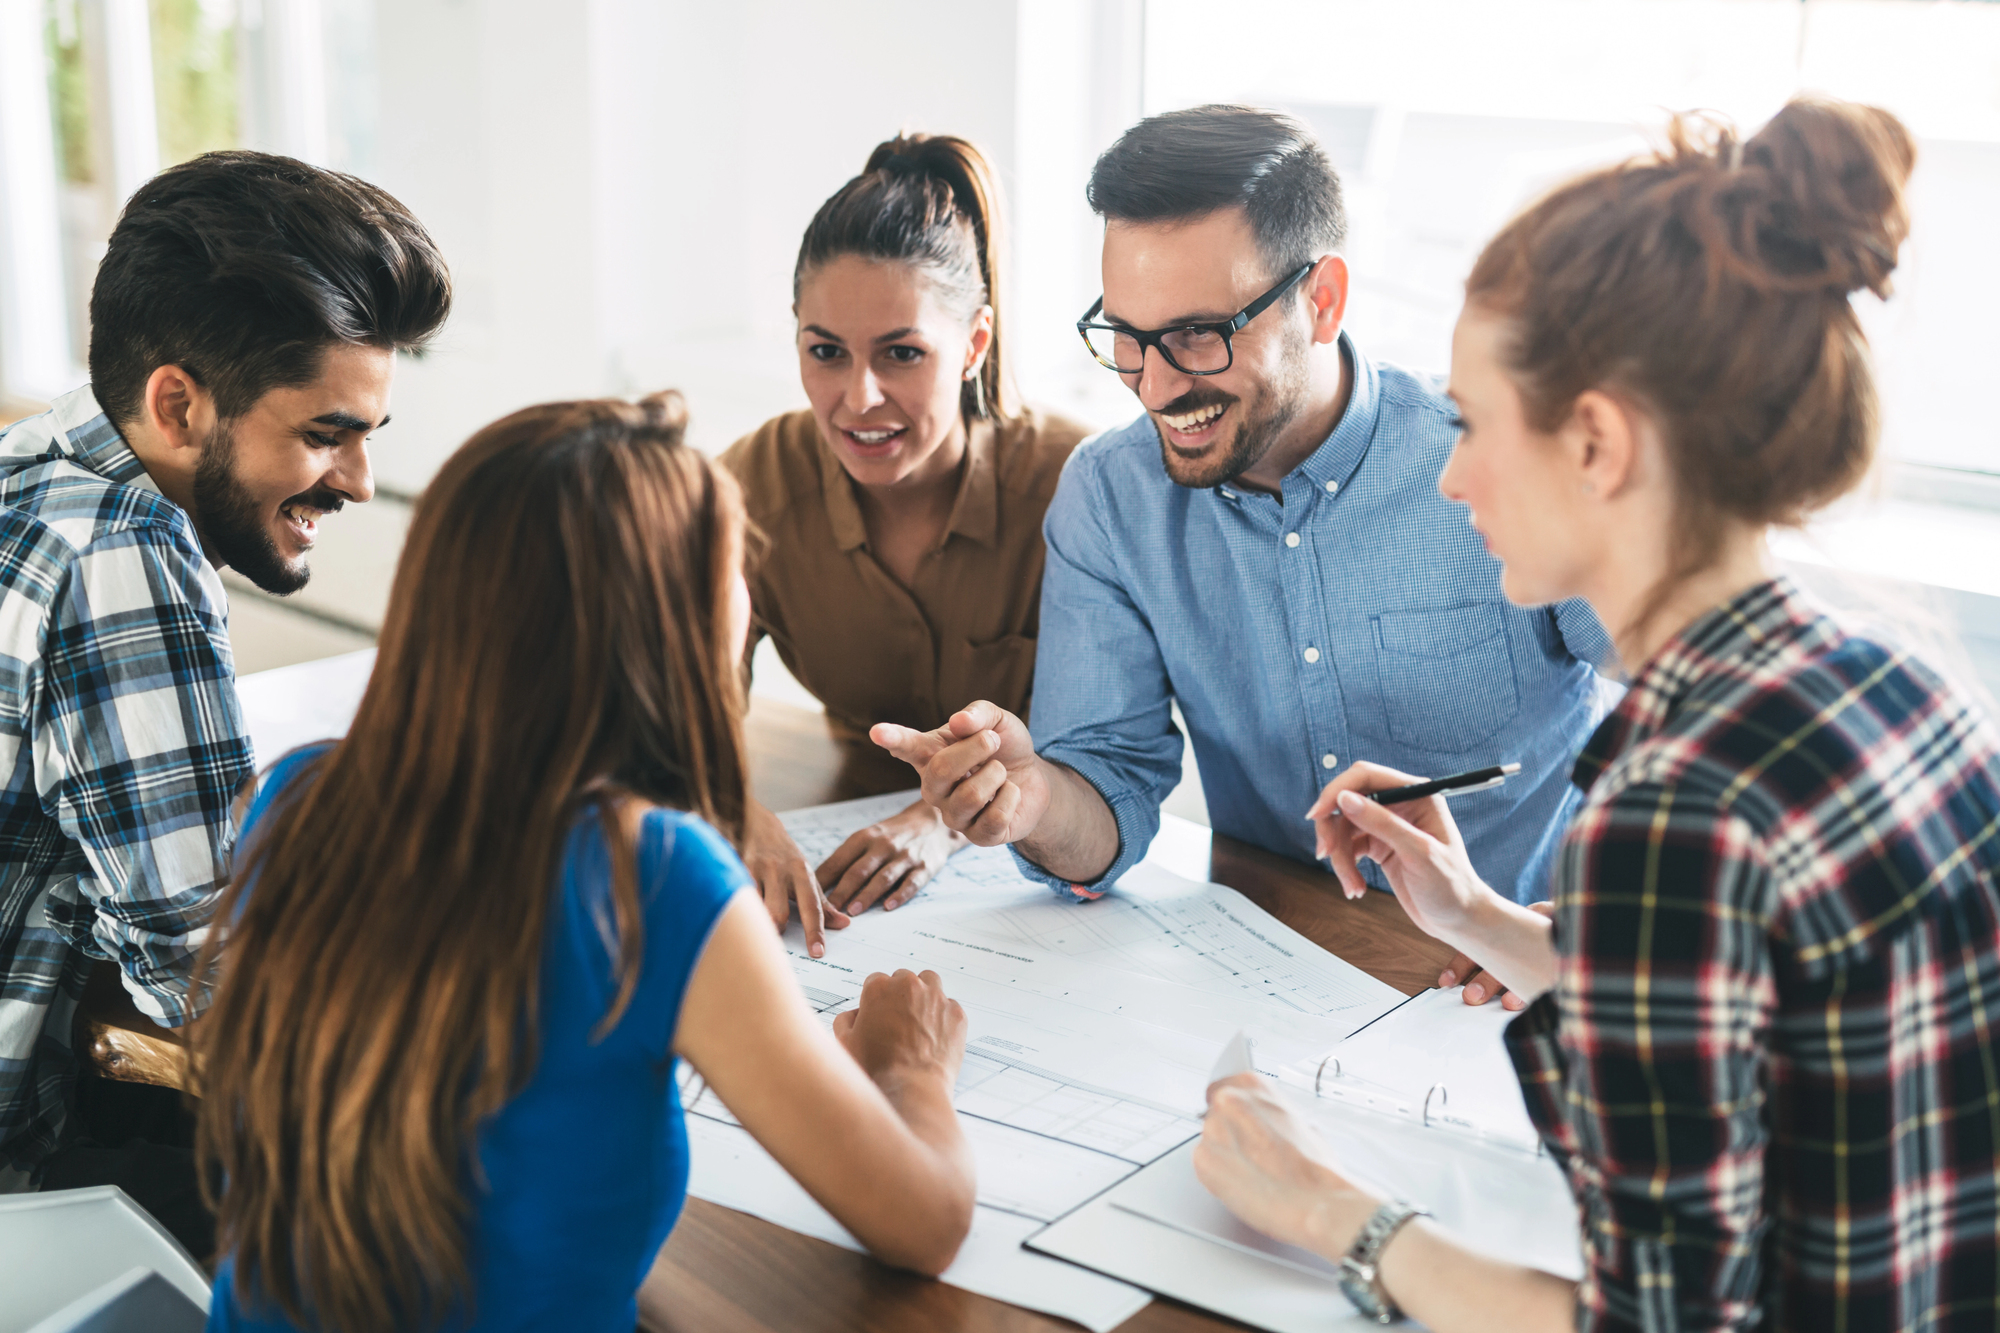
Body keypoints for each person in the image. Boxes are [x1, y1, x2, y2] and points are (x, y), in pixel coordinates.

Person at [1197, 100, 2000, 1330]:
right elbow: (1783, 1020)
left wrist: (1325, 1208)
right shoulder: (1899, 689)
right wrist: (1485, 924)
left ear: (1595, 443)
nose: (1451, 474)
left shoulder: (1669, 813)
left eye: (1471, 424)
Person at [194, 395, 976, 1333]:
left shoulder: (298, 799)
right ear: (676, 623)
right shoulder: (655, 879)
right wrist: (911, 1065)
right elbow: (924, 1222)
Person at [875, 106, 1618, 912]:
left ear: (1323, 301)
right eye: (1126, 334)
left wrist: (1592, 918)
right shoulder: (1111, 496)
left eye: (1199, 334)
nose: (1155, 388)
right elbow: (1107, 790)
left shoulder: (1495, 462)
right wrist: (1035, 804)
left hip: (1512, 980)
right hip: (1273, 964)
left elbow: (1710, 719)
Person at [0, 151, 450, 1253]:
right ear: (176, 401)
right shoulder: (123, 551)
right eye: (323, 432)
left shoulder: (39, 462)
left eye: (366, 436)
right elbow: (203, 974)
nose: (354, 482)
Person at [722, 133, 1090, 954]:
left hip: (1037, 879)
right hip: (845, 851)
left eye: (902, 353)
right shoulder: (751, 482)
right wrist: (733, 810)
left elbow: (1106, 733)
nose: (859, 397)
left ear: (975, 344)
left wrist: (939, 822)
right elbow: (681, 692)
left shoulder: (1076, 487)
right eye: (825, 352)